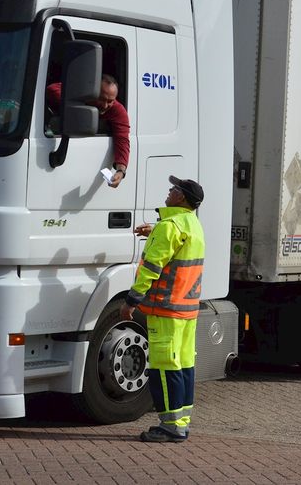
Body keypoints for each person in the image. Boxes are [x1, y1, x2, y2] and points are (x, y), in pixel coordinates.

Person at [120, 176, 206, 443]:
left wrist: (132, 301)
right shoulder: (192, 223)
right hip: (186, 309)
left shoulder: (169, 226)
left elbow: (151, 268)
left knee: (164, 367)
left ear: (180, 198)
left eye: (173, 189)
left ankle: (170, 427)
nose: (169, 192)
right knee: (184, 364)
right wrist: (155, 231)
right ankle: (181, 421)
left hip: (165, 309)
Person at [45, 73, 131, 187]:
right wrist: (79, 105)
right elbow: (52, 90)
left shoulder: (117, 110)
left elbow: (123, 140)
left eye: (110, 101)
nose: (105, 105)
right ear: (92, 92)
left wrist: (121, 171)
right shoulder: (81, 94)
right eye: (102, 99)